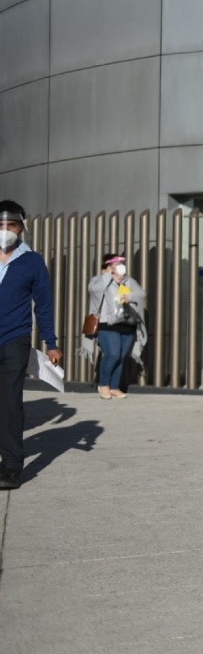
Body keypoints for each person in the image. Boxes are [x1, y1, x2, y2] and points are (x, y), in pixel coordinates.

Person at [0, 201, 62, 489]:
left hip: (15, 340)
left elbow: (44, 306)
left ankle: (12, 467)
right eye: (0, 225)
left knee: (10, 401)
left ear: (21, 226)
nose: (5, 231)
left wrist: (51, 343)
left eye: (10, 225)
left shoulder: (32, 261)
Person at [87, 252, 146, 400]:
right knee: (112, 354)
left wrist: (129, 296)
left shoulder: (128, 281)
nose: (119, 268)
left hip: (127, 323)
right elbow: (95, 291)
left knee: (120, 356)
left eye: (120, 265)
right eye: (115, 264)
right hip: (107, 324)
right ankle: (104, 384)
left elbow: (142, 294)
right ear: (108, 266)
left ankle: (114, 387)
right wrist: (108, 275)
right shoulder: (100, 280)